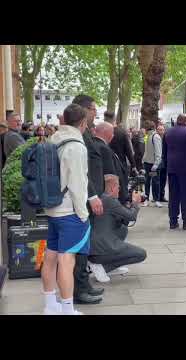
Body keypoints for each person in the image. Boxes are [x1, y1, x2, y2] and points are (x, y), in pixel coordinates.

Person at [41, 103, 90, 315]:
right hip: (69, 211)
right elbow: (78, 185)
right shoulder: (76, 147)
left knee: (50, 257)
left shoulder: (53, 139)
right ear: (83, 123)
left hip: (51, 208)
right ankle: (68, 309)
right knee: (66, 260)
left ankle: (50, 305)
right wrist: (83, 214)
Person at [71, 94, 105, 305]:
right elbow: (82, 172)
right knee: (81, 246)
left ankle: (84, 285)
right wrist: (93, 195)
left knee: (84, 245)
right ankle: (79, 289)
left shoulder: (85, 134)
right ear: (84, 110)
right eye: (93, 109)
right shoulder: (79, 136)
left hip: (88, 197)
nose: (95, 113)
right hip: (84, 199)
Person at [87, 175, 146, 282]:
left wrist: (128, 205)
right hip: (99, 251)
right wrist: (136, 204)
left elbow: (124, 220)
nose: (119, 190)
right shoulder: (109, 200)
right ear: (112, 188)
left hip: (92, 248)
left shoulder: (101, 198)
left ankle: (106, 265)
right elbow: (131, 217)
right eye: (118, 187)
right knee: (141, 254)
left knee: (123, 229)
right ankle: (101, 268)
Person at [162, 114, 186, 230]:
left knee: (173, 195)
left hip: (172, 169)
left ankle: (173, 221)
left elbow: (164, 152)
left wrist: (166, 165)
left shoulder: (168, 132)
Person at [103, 111, 137, 176]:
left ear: (105, 119)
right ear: (114, 119)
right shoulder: (122, 132)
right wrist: (133, 166)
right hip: (120, 166)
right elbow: (128, 151)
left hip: (106, 167)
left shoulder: (101, 131)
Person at [142, 121, 163, 208]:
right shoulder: (148, 136)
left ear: (148, 128)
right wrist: (143, 159)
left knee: (155, 182)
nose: (143, 129)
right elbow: (146, 149)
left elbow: (159, 152)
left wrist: (156, 164)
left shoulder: (155, 136)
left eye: (145, 128)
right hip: (147, 163)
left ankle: (156, 199)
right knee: (147, 181)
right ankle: (147, 199)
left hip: (153, 165)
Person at [156, 124, 168, 203]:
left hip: (164, 162)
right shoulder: (155, 138)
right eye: (159, 129)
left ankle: (162, 196)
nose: (161, 131)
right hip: (157, 162)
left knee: (163, 180)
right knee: (157, 180)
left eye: (162, 130)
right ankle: (157, 196)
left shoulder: (166, 138)